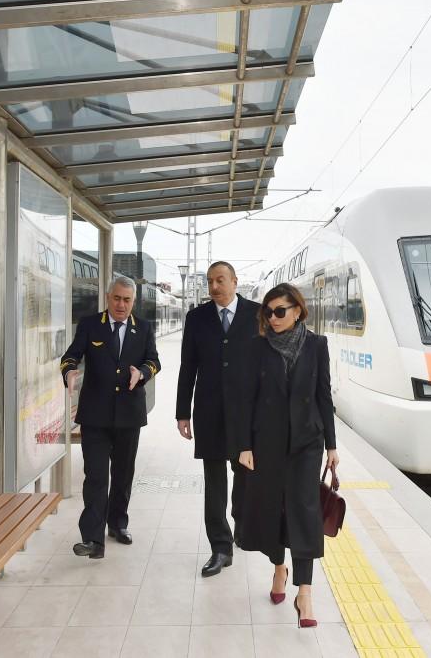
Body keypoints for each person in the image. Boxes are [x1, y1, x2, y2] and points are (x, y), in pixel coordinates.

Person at [237, 282, 339, 628]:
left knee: (305, 512)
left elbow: (323, 395)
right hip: (266, 443)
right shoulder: (257, 348)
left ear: (298, 311)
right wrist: (244, 446)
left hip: (306, 443)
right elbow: (244, 400)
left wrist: (332, 446)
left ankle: (305, 592)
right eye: (269, 311)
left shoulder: (317, 345)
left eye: (280, 311)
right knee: (274, 509)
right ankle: (280, 568)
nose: (273, 317)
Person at [60, 276, 160, 559]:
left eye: (127, 300)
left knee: (123, 474)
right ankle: (93, 539)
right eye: (117, 298)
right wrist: (69, 373)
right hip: (95, 416)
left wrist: (141, 373)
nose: (121, 304)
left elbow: (154, 360)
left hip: (129, 415)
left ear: (133, 302)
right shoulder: (91, 324)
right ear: (108, 297)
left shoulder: (144, 328)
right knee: (95, 476)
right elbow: (70, 356)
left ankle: (118, 524)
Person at [176, 261, 260, 577]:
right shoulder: (196, 318)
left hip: (247, 416)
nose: (214, 287)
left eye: (220, 280)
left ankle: (240, 523)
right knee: (214, 483)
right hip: (209, 412)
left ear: (235, 281)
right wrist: (183, 412)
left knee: (246, 478)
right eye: (210, 281)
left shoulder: (257, 314)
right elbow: (188, 367)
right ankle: (220, 548)